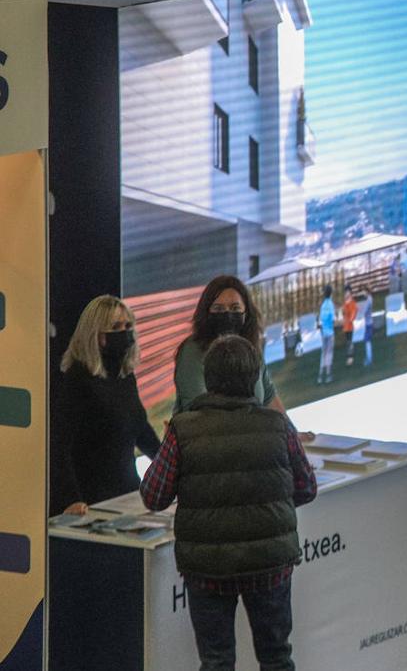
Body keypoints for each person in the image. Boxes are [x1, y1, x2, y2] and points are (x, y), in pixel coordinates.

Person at [142, 335, 317, 671]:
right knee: (277, 657)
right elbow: (306, 488)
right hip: (270, 563)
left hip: (208, 566)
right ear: (254, 379)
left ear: (208, 378)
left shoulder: (183, 429)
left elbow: (153, 495)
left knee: (217, 662)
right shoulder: (278, 426)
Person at [49, 295, 160, 515]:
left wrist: (168, 464)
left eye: (128, 325)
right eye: (115, 326)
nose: (124, 332)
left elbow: (139, 428)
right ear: (95, 333)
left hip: (127, 494)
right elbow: (60, 445)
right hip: (89, 501)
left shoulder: (125, 376)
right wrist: (71, 499)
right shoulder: (78, 378)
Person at [173, 275, 283, 415]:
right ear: (206, 313)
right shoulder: (192, 351)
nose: (227, 315)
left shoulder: (250, 347)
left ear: (246, 313)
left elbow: (268, 395)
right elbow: (197, 409)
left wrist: (291, 432)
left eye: (235, 308)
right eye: (218, 309)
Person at [317, 284, 335, 385]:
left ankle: (320, 375)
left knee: (323, 353)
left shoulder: (323, 305)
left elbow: (321, 320)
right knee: (329, 353)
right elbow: (332, 319)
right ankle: (328, 374)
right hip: (330, 333)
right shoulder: (331, 305)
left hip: (323, 333)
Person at [342, 284, 358, 367]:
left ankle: (351, 357)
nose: (346, 294)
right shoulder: (345, 303)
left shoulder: (352, 302)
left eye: (347, 292)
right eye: (345, 292)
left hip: (349, 326)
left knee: (350, 341)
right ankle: (348, 356)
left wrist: (350, 319)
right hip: (345, 326)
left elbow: (354, 312)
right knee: (347, 341)